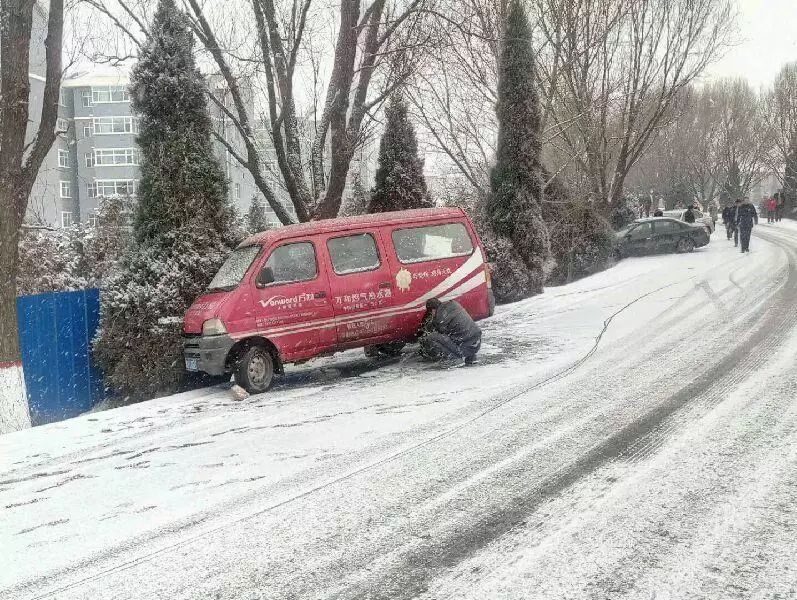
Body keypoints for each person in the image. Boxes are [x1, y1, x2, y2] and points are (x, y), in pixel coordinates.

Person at [417, 298, 482, 365]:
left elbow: (440, 332)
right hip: (476, 343)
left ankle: (455, 360)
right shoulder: (453, 304)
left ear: (433, 310)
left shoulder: (440, 316)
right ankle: (471, 356)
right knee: (459, 333)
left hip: (466, 346)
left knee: (432, 338)